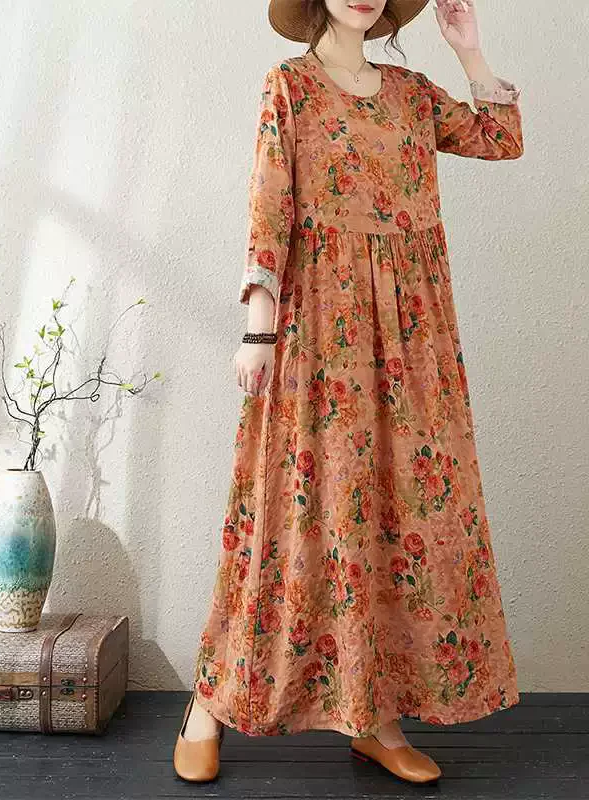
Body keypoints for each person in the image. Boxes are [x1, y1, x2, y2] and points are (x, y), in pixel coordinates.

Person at [174, 0, 524, 785]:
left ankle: (374, 719)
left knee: (401, 517)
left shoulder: (412, 94)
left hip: (412, 337)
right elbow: (270, 205)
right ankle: (209, 703)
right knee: (294, 515)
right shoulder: (290, 86)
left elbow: (501, 139)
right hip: (320, 326)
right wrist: (259, 331)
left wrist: (469, 51)